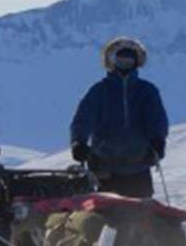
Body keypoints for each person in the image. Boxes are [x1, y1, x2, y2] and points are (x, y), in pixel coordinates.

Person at [70, 37, 168, 198]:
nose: (125, 64)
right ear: (112, 61)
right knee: (105, 213)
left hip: (139, 164)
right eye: (121, 59)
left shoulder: (147, 91)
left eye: (129, 60)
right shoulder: (99, 90)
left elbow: (157, 119)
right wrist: (78, 142)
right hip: (104, 165)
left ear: (136, 62)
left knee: (142, 215)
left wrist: (158, 140)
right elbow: (83, 118)